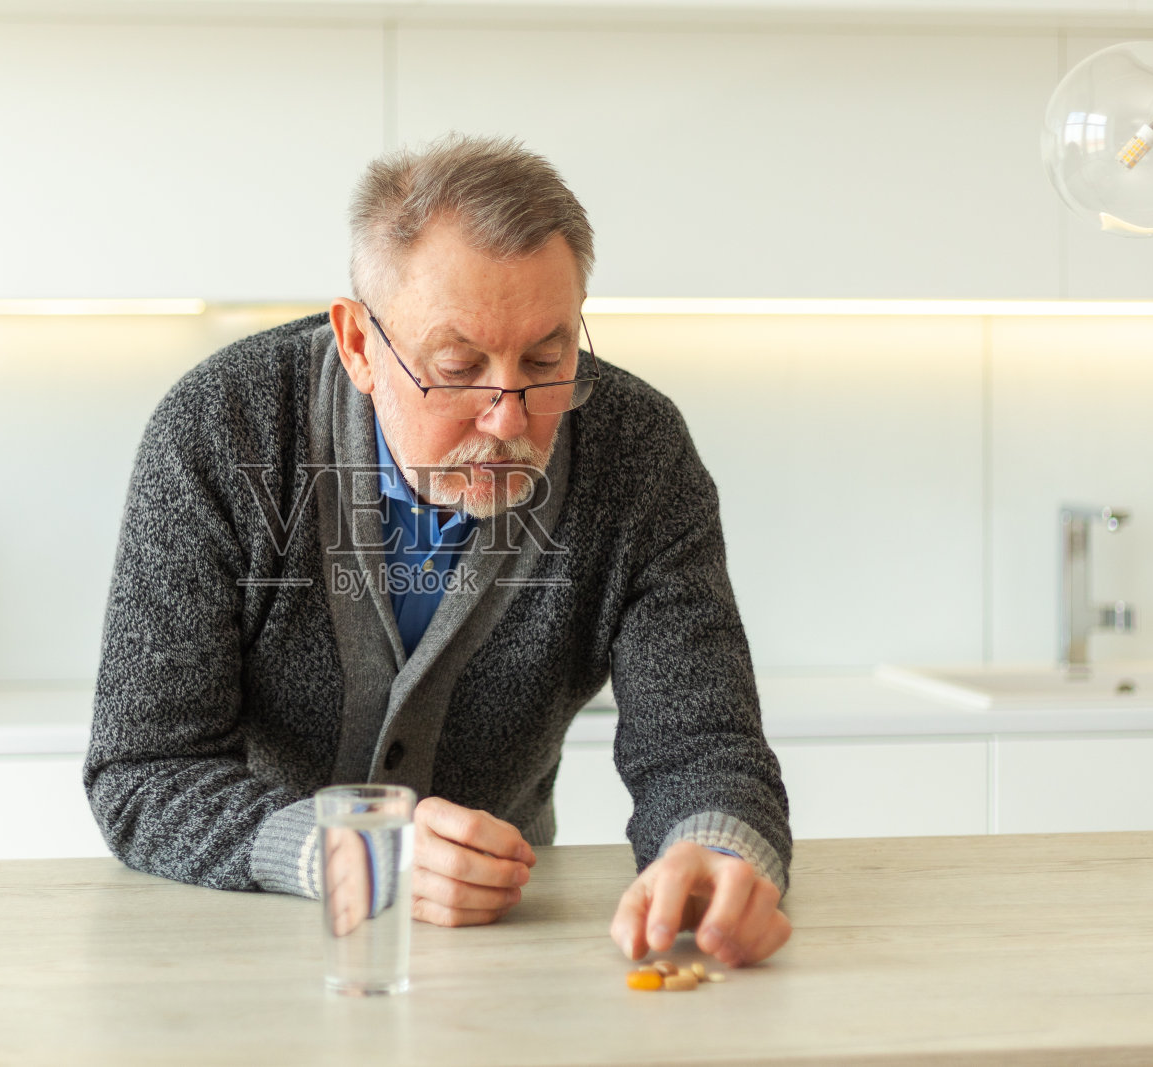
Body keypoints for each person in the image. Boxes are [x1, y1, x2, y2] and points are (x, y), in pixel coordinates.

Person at [85, 133, 793, 968]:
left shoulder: (641, 454)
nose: (508, 418)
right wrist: (358, 857)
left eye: (546, 357)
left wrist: (718, 850)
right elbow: (144, 770)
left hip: (508, 942)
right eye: (457, 368)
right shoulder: (217, 428)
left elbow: (703, 745)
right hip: (247, 930)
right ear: (358, 345)